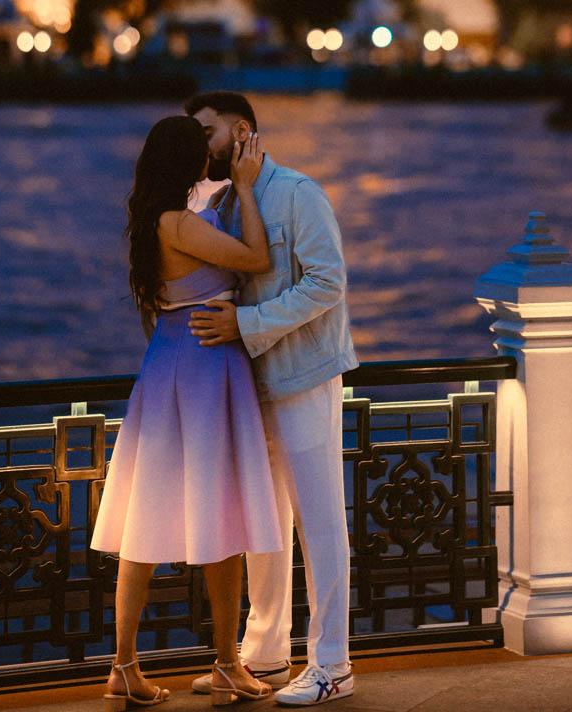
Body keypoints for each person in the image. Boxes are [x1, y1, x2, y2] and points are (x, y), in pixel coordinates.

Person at [91, 116, 283, 710]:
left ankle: (131, 666)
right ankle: (220, 664)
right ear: (185, 161)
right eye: (201, 149)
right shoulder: (178, 222)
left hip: (171, 360)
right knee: (219, 512)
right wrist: (245, 186)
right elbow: (257, 258)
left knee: (152, 517)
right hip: (204, 366)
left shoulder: (159, 219)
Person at [185, 92, 357, 706]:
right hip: (248, 383)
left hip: (304, 375)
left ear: (242, 132)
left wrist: (246, 323)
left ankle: (333, 665)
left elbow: (328, 282)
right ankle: (266, 652)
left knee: (319, 521)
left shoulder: (299, 192)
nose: (198, 144)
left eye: (206, 132)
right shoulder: (223, 202)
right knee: (265, 520)